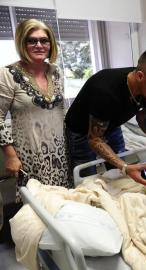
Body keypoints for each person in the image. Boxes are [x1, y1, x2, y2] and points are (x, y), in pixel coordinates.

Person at [0, 19, 71, 241]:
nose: (39, 45)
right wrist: (10, 156)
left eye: (44, 40)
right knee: (35, 214)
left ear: (51, 44)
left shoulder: (56, 72)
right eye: (32, 41)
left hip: (60, 153)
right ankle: (38, 257)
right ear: (23, 42)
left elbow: (62, 110)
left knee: (62, 208)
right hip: (30, 156)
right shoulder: (8, 74)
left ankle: (63, 250)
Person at [65, 46, 146, 185]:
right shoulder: (106, 90)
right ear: (140, 76)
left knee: (119, 174)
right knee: (88, 179)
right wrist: (125, 167)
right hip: (81, 130)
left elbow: (144, 117)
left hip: (112, 124)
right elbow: (94, 139)